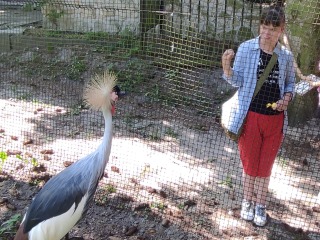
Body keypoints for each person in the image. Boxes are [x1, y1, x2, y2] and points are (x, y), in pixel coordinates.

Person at [221, 5, 295, 227]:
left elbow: (290, 83)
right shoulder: (246, 48)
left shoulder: (286, 57)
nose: (267, 33)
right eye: (264, 27)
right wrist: (227, 68)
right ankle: (247, 201)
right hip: (250, 116)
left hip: (275, 121)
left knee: (265, 167)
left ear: (281, 30)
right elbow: (238, 81)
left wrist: (287, 99)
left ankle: (261, 205)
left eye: (273, 29)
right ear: (259, 26)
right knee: (250, 165)